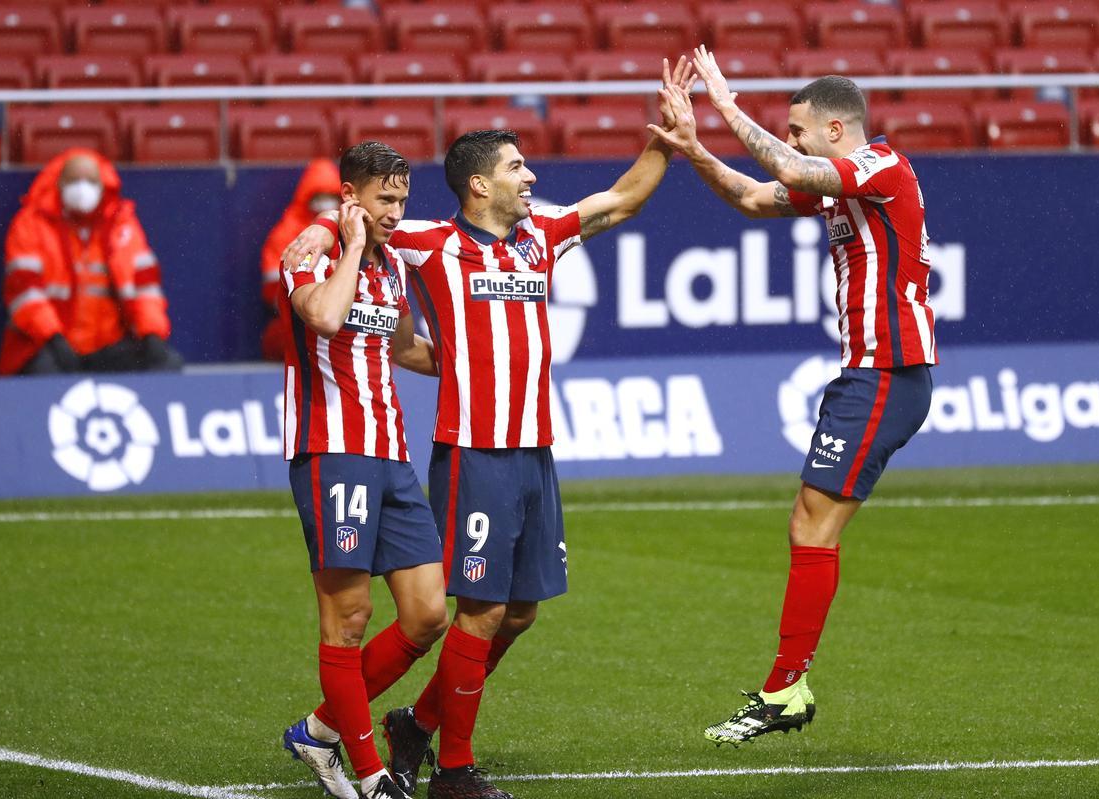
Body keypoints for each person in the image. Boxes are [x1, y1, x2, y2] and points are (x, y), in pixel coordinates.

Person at [284, 56, 696, 799]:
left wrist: (666, 138)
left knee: (521, 611)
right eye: (516, 167)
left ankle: (414, 725)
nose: (530, 176)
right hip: (473, 451)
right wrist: (320, 227)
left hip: (535, 451)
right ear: (480, 184)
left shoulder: (542, 237)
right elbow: (363, 218)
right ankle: (455, 769)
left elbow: (621, 201)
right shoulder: (430, 242)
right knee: (476, 610)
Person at [648, 45, 937, 746]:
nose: (795, 138)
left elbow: (787, 166)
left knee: (813, 522)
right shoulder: (844, 185)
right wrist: (693, 149)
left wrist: (723, 104)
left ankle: (786, 688)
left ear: (838, 130)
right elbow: (756, 195)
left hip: (888, 370)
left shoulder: (880, 166)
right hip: (869, 371)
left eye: (802, 127)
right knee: (809, 521)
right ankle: (786, 684)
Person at [278, 142, 450, 799]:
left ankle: (319, 729)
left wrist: (471, 362)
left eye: (402, 199)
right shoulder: (308, 254)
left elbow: (403, 344)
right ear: (351, 195)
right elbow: (322, 316)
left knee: (428, 612)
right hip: (331, 453)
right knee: (347, 618)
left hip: (391, 456)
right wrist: (343, 237)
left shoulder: (394, 267)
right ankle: (369, 769)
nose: (396, 212)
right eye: (385, 199)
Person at [0, 147, 183, 375]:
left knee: (167, 363)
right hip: (49, 345)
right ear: (59, 183)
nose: (82, 187)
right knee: (43, 372)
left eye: (90, 181)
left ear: (102, 185)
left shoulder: (122, 225)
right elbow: (24, 293)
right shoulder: (31, 225)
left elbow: (146, 289)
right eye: (74, 180)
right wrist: (53, 338)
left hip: (108, 345)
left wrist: (152, 333)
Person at [260, 158, 342, 361]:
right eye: (319, 196)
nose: (325, 202)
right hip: (298, 314)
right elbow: (272, 289)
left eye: (330, 196)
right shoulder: (286, 232)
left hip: (340, 313)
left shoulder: (348, 229)